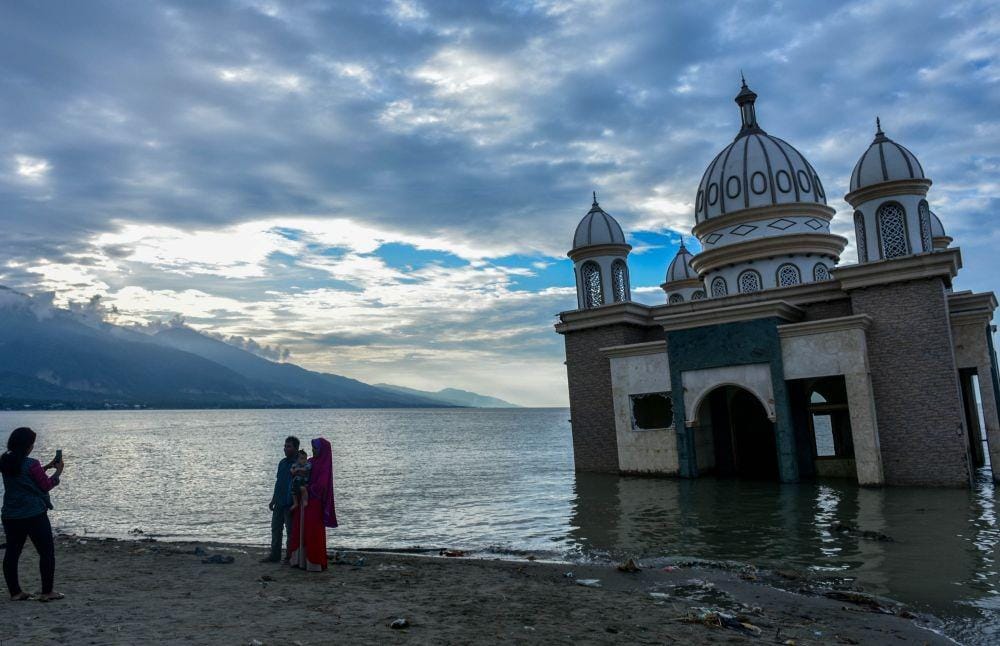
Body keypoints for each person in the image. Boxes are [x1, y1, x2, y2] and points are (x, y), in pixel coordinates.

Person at [1, 427, 64, 601]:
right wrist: (58, 471)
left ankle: (15, 593)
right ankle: (47, 592)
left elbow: (24, 477)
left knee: (13, 553)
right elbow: (45, 485)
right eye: (32, 444)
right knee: (46, 553)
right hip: (34, 514)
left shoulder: (5, 461)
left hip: (11, 515)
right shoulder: (31, 463)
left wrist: (47, 467)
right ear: (27, 446)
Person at [288, 437, 337, 571]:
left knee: (313, 532)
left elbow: (321, 486)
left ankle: (313, 563)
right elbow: (299, 470)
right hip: (304, 501)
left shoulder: (324, 465)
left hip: (314, 503)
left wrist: (308, 489)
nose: (313, 450)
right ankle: (300, 561)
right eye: (313, 448)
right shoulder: (310, 461)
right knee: (300, 529)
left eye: (316, 448)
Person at [262, 436, 299, 564]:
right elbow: (278, 482)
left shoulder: (299, 464)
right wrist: (273, 500)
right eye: (285, 446)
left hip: (290, 503)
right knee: (276, 528)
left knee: (290, 531)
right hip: (279, 501)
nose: (285, 449)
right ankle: (275, 555)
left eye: (288, 446)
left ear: (295, 448)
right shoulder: (282, 463)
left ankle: (289, 557)